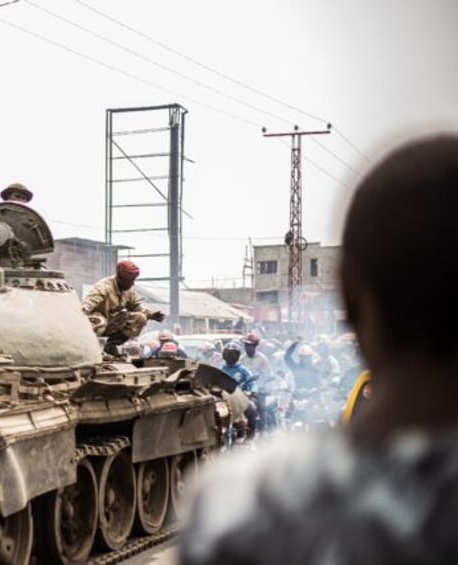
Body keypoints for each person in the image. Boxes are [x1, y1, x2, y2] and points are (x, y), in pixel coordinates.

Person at [180, 134, 458, 564]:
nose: (242, 350)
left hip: (278, 400)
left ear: (346, 297)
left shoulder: (241, 506)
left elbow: (280, 376)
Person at [81, 260, 165, 355]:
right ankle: (91, 349)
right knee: (100, 320)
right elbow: (92, 299)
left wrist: (151, 315)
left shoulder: (129, 290)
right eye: (129, 281)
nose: (132, 284)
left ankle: (110, 346)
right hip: (95, 323)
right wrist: (85, 309)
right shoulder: (104, 286)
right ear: (120, 278)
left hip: (112, 322)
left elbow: (136, 306)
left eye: (133, 280)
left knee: (140, 317)